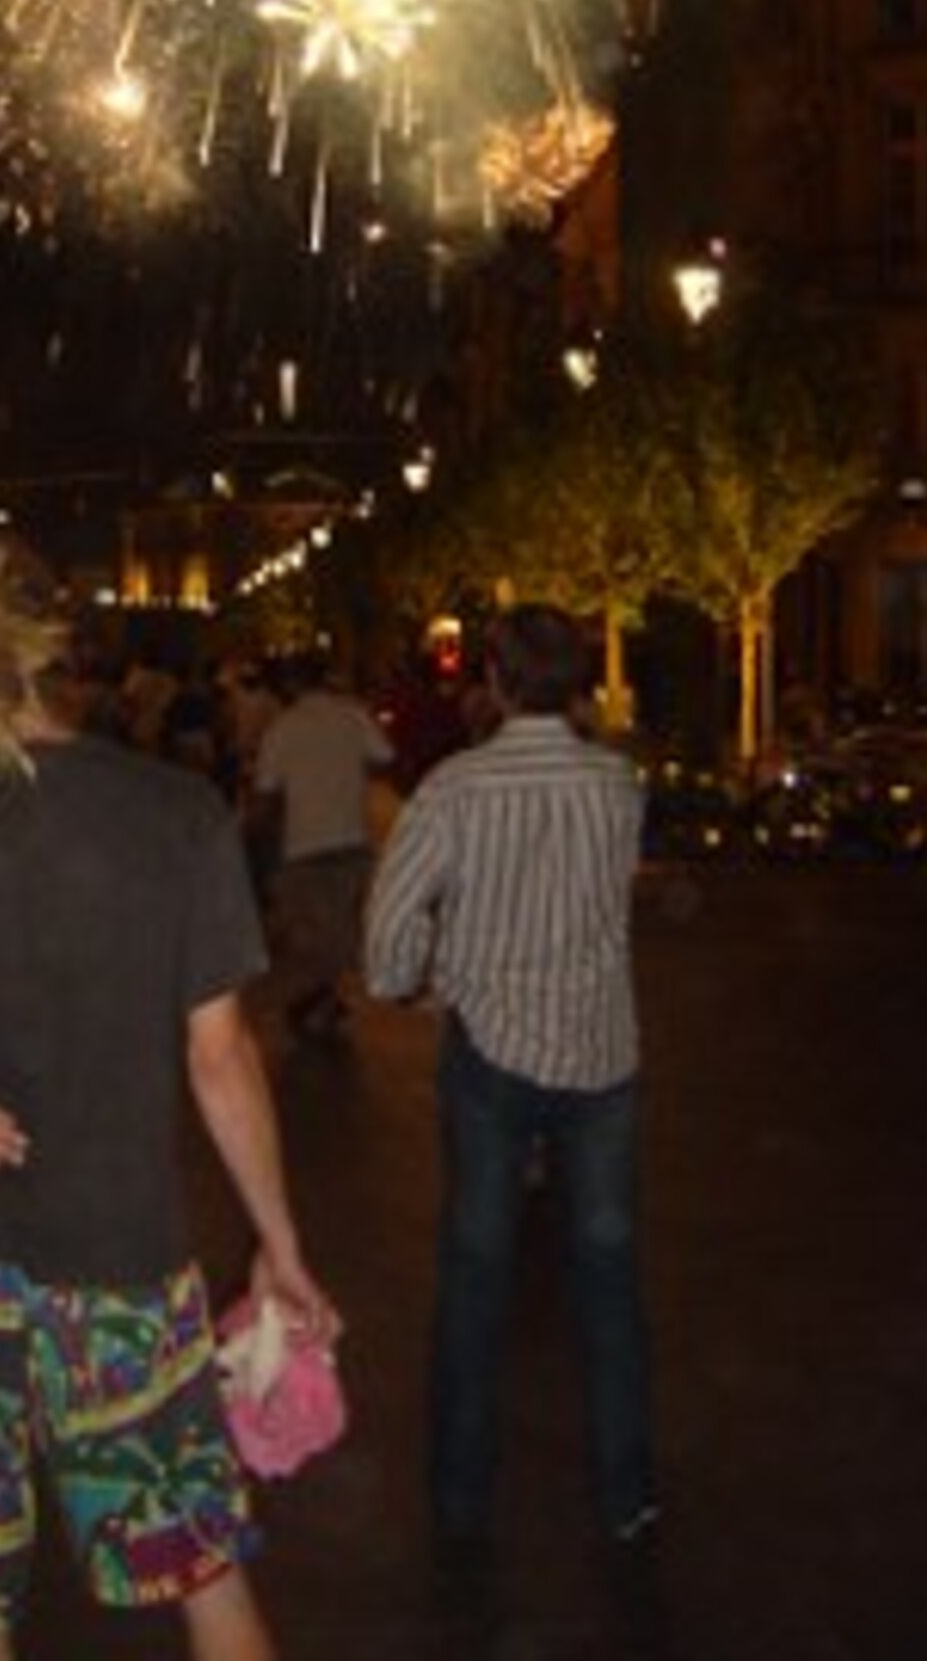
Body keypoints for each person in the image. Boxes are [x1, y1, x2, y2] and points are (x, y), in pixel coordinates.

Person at [0, 526, 338, 1661]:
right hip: (120, 1259)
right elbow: (219, 1053)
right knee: (200, 1561)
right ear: (59, 653)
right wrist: (278, 1243)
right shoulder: (174, 812)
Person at [363, 602, 656, 1553]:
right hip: (601, 1052)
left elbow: (390, 931)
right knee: (607, 1276)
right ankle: (627, 1489)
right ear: (575, 678)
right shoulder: (620, 784)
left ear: (492, 675)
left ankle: (461, 1492)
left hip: (490, 1050)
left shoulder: (454, 788)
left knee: (477, 1273)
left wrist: (417, 985)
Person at [249, 649, 395, 1040]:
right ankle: (320, 1006)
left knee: (312, 937)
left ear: (292, 684)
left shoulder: (285, 726)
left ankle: (299, 1004)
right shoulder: (352, 715)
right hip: (349, 839)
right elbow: (384, 758)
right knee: (337, 934)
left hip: (303, 842)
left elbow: (265, 791)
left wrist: (253, 838)